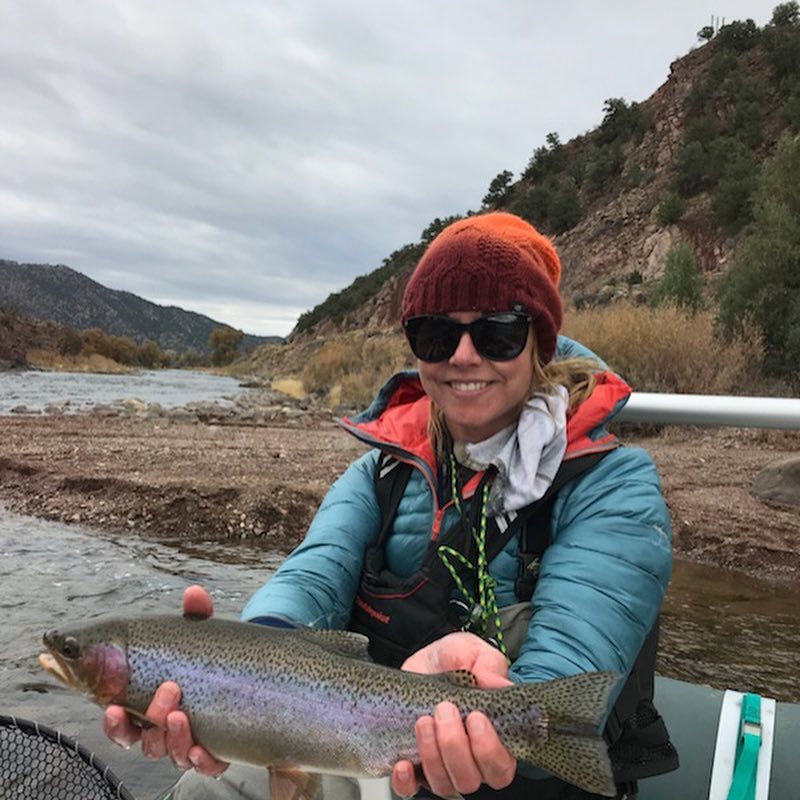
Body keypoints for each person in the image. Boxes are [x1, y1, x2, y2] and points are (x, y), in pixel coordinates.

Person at [104, 212, 677, 799]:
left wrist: (496, 714)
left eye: (497, 332)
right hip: (387, 752)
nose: (462, 356)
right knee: (208, 790)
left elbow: (572, 668)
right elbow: (314, 573)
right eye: (436, 334)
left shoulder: (614, 485)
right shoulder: (382, 470)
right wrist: (241, 667)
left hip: (521, 777)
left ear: (540, 341)